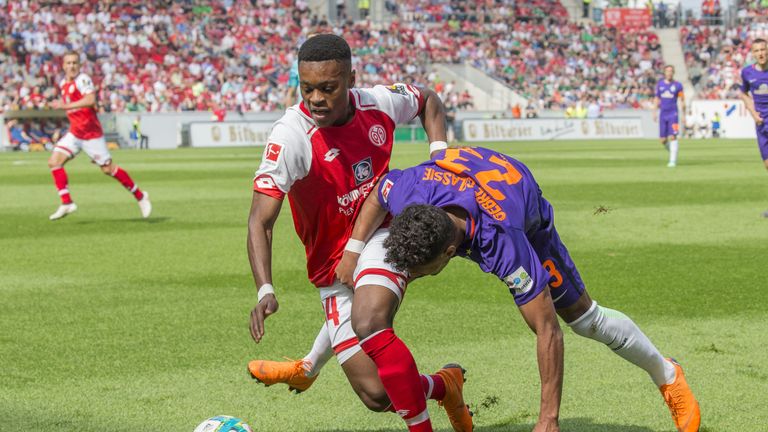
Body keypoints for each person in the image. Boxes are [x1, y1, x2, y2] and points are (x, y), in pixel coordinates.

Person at [338, 146, 701, 432]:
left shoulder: (505, 244)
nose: (411, 278)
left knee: (583, 320)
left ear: (451, 253)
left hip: (523, 215)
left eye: (420, 272)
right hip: (461, 181)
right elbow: (378, 194)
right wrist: (353, 251)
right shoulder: (408, 191)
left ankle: (667, 374)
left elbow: (547, 330)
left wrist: (548, 419)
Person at [245, 34, 472, 432]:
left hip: (382, 233)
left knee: (370, 319)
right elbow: (260, 221)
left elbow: (429, 100)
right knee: (377, 395)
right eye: (307, 88)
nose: (316, 98)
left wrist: (441, 162)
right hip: (330, 264)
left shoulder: (378, 103)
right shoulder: (291, 136)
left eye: (328, 88)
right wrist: (265, 289)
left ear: (351, 79)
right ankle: (444, 385)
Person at [47, 52, 151, 220]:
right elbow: (73, 112)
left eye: (75, 63)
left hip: (90, 134)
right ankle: (67, 203)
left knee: (108, 169)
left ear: (79, 65)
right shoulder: (63, 83)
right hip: (75, 133)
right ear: (63, 66)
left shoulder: (83, 80)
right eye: (68, 63)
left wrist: (65, 105)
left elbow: (90, 100)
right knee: (54, 162)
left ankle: (140, 196)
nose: (72, 66)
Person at [739, 38, 768, 217]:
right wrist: (752, 112)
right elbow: (743, 93)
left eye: (763, 50)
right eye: (757, 50)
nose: (761, 53)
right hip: (761, 124)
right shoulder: (747, 73)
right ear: (753, 54)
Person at [653, 65, 685, 167]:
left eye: (671, 71)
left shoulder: (678, 85)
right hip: (663, 113)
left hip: (673, 114)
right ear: (664, 72)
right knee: (663, 140)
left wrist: (684, 114)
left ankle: (672, 161)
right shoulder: (660, 84)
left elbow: (682, 100)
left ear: (673, 72)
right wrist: (654, 112)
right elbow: (657, 98)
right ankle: (673, 151)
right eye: (667, 71)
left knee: (673, 136)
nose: (669, 73)